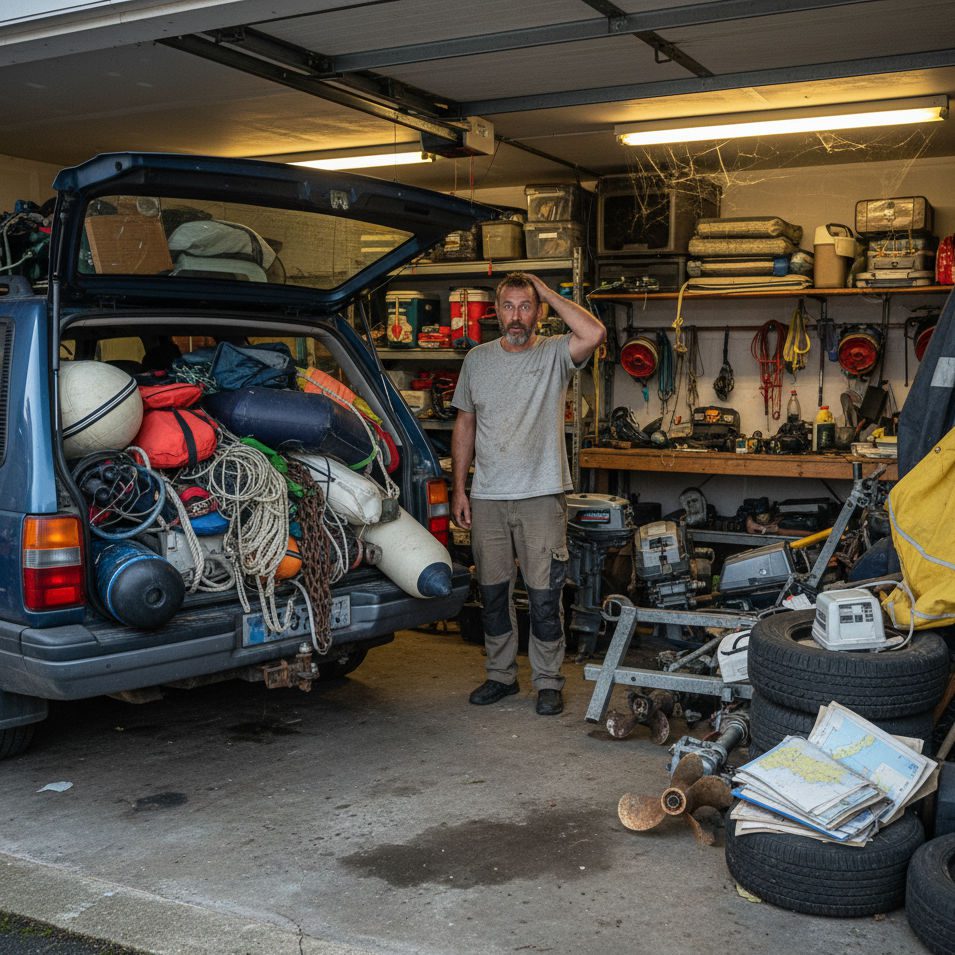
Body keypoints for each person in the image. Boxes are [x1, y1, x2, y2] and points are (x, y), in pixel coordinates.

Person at [450, 272, 606, 715]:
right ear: (495, 311)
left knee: (543, 594)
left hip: (540, 494)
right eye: (508, 306)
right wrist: (459, 488)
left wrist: (547, 291)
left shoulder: (555, 354)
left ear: (538, 311)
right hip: (489, 497)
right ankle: (500, 676)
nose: (516, 316)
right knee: (493, 592)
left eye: (525, 306)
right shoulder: (477, 361)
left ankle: (548, 680)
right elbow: (465, 425)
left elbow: (594, 332)